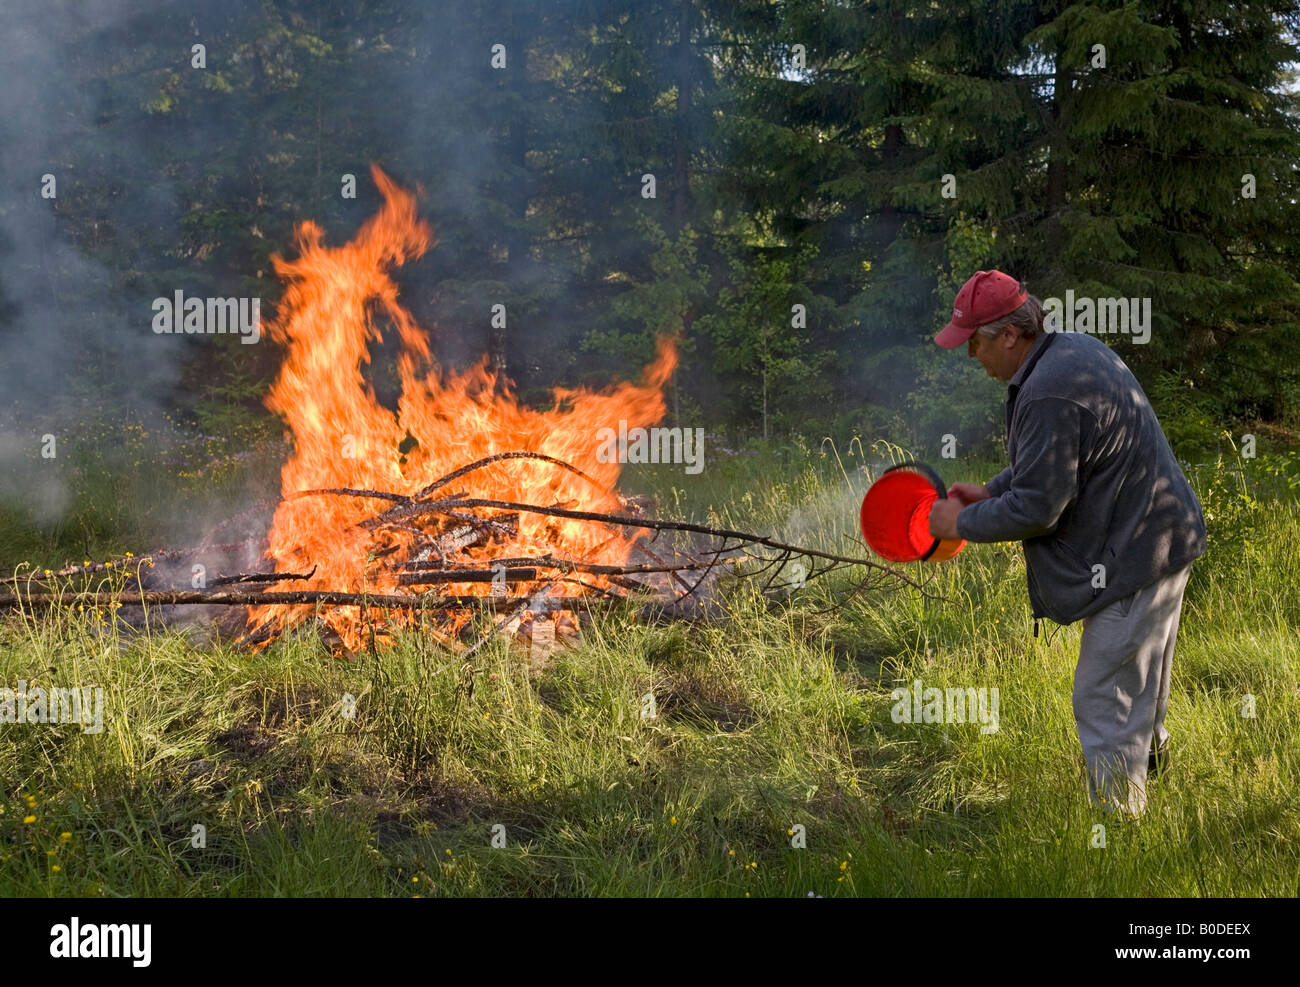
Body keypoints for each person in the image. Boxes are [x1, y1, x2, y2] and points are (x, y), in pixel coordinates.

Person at [927, 269, 1206, 815]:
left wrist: (958, 524)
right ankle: (1156, 795)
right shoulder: (1069, 352)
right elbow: (1055, 467)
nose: (971, 357)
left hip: (1136, 553)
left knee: (1104, 692)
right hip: (1163, 539)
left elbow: (1040, 508)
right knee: (1139, 685)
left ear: (1009, 335)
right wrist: (989, 491)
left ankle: (1120, 830)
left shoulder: (1050, 388)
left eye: (975, 343)